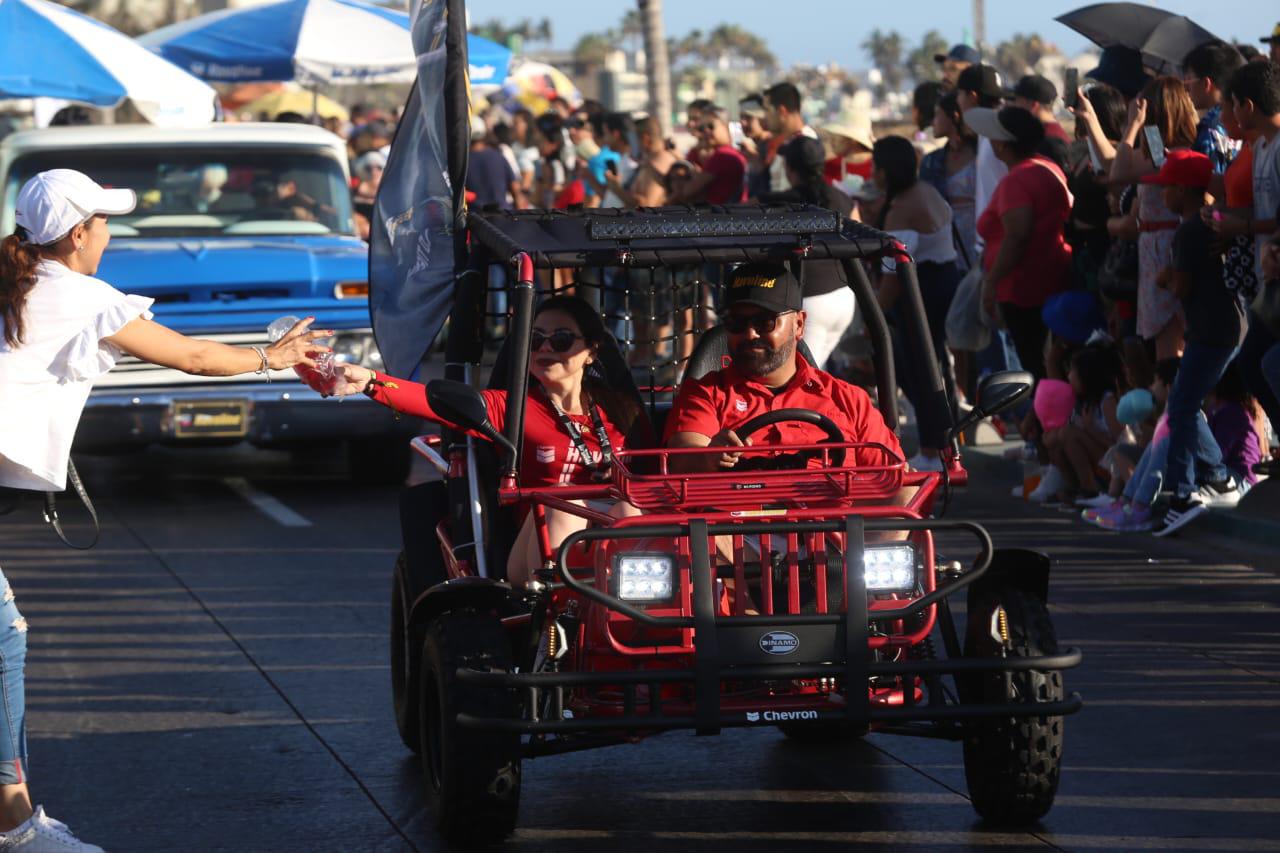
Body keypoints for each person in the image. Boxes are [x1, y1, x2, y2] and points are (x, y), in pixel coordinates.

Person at [0, 169, 324, 852]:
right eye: (105, 221)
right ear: (81, 233)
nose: (111, 233)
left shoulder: (18, 284)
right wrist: (273, 356)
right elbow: (195, 356)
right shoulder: (82, 295)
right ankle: (17, 829)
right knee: (4, 639)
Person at [324, 295, 648, 582]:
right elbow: (433, 404)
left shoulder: (621, 409)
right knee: (565, 504)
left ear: (591, 351)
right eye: (535, 339)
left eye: (561, 339)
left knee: (628, 509)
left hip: (614, 544)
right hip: (537, 544)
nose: (546, 348)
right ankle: (561, 620)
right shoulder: (512, 407)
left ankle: (636, 617)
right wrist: (369, 381)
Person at [664, 262, 902, 473]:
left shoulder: (848, 400)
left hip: (831, 521)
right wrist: (710, 458)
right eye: (735, 322)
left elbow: (895, 476)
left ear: (799, 324)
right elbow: (682, 459)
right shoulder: (706, 394)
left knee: (905, 496)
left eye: (765, 322)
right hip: (737, 520)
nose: (750, 333)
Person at [1143, 150, 1247, 535]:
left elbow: (1182, 285)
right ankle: (1216, 475)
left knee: (1182, 407)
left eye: (1167, 186)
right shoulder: (1212, 222)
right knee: (1184, 404)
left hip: (1211, 330)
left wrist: (1167, 277)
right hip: (1225, 327)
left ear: (1182, 190)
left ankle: (1185, 492)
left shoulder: (1189, 230)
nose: (1163, 194)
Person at [868, 136, 960, 471]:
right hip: (942, 281)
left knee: (919, 371)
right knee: (936, 370)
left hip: (921, 292)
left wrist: (873, 312)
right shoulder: (927, 191)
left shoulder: (903, 207)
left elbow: (894, 273)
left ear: (885, 170)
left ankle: (933, 450)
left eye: (875, 166)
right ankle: (946, 446)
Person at [968, 107, 1073, 379]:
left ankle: (1042, 421)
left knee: (1036, 368)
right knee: (1048, 365)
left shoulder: (1016, 181)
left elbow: (1017, 236)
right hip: (1050, 280)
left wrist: (992, 282)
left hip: (1023, 290)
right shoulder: (1046, 167)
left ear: (1003, 145)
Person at [1111, 76, 1199, 359]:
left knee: (1169, 346)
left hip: (1163, 252)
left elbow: (1118, 173)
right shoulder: (1171, 149)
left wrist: (1132, 126)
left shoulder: (1168, 155)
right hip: (1163, 248)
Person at [760, 136, 857, 369]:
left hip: (811, 302)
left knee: (802, 377)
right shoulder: (843, 198)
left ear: (789, 168)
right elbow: (857, 243)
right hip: (844, 298)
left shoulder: (780, 202)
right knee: (816, 373)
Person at [920, 91, 978, 272]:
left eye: (938, 114)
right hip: (945, 239)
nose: (932, 121)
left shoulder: (982, 153)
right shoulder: (931, 161)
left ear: (954, 116)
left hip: (978, 235)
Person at [1182, 40, 1246, 174]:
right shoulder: (1241, 121)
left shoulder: (1210, 128)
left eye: (1189, 78)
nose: (1185, 87)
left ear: (1206, 84)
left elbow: (1202, 184)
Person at [668, 115, 746, 205]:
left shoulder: (723, 155)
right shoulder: (724, 153)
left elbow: (688, 191)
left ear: (726, 127)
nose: (706, 131)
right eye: (701, 128)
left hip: (720, 214)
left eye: (711, 126)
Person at [762, 82, 818, 193]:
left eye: (767, 110)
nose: (764, 116)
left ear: (782, 111)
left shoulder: (806, 145)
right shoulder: (788, 142)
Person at [466, 117, 521, 210]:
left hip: (476, 218)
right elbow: (515, 188)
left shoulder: (463, 162)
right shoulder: (498, 156)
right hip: (503, 216)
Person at [738, 93, 774, 199]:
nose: (742, 122)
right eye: (741, 117)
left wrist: (756, 160)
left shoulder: (773, 146)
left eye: (748, 117)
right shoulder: (754, 147)